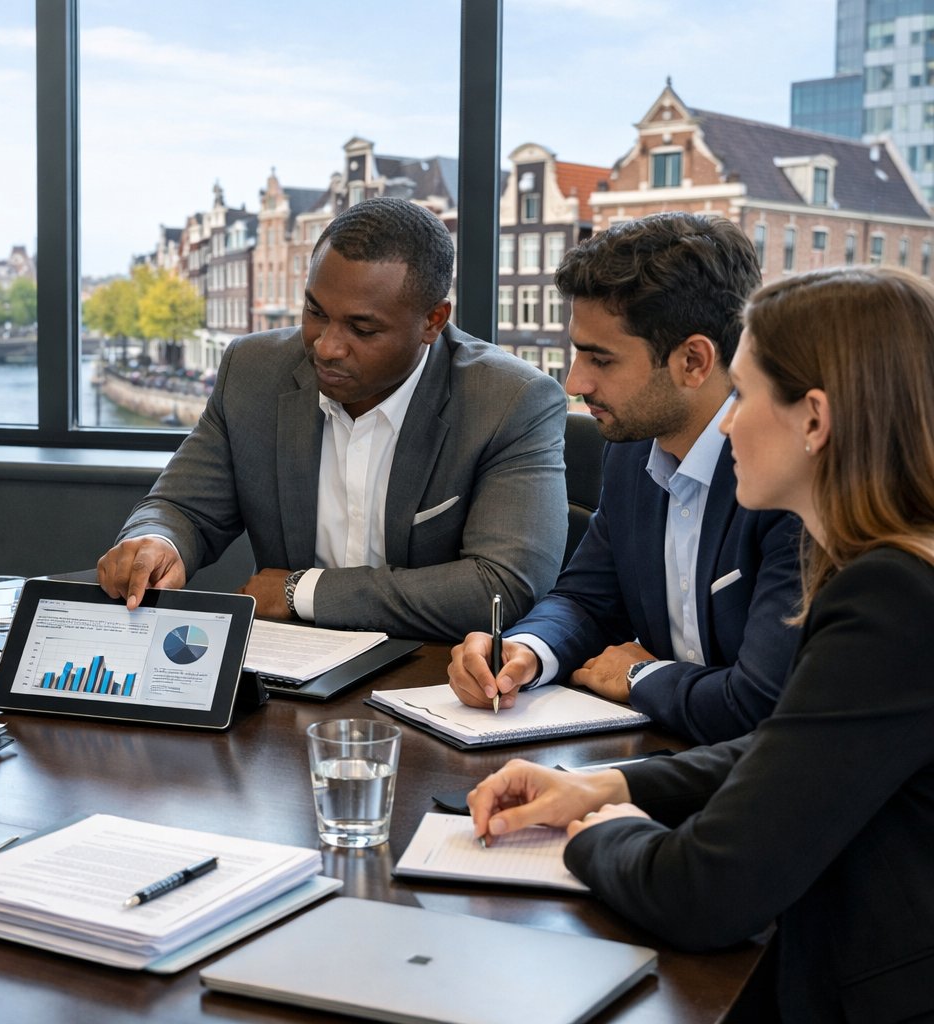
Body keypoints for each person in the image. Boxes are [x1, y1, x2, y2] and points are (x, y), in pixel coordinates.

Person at [468, 265, 934, 1021]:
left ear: (814, 420)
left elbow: (702, 893)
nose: (723, 424)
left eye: (745, 395)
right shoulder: (898, 568)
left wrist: (600, 833)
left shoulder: (891, 599)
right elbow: (792, 748)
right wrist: (613, 785)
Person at [97, 197, 567, 639]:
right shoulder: (253, 370)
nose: (326, 346)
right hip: (288, 676)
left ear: (433, 321)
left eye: (362, 328)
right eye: (315, 312)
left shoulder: (510, 400)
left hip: (437, 681)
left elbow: (503, 585)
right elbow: (184, 508)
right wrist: (157, 541)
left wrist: (300, 592)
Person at [447, 213, 801, 743]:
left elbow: (762, 704)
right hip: (665, 757)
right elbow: (588, 600)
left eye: (600, 359)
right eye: (576, 352)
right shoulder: (632, 452)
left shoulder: (789, 479)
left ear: (693, 361)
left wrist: (640, 676)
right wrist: (528, 651)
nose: (574, 381)